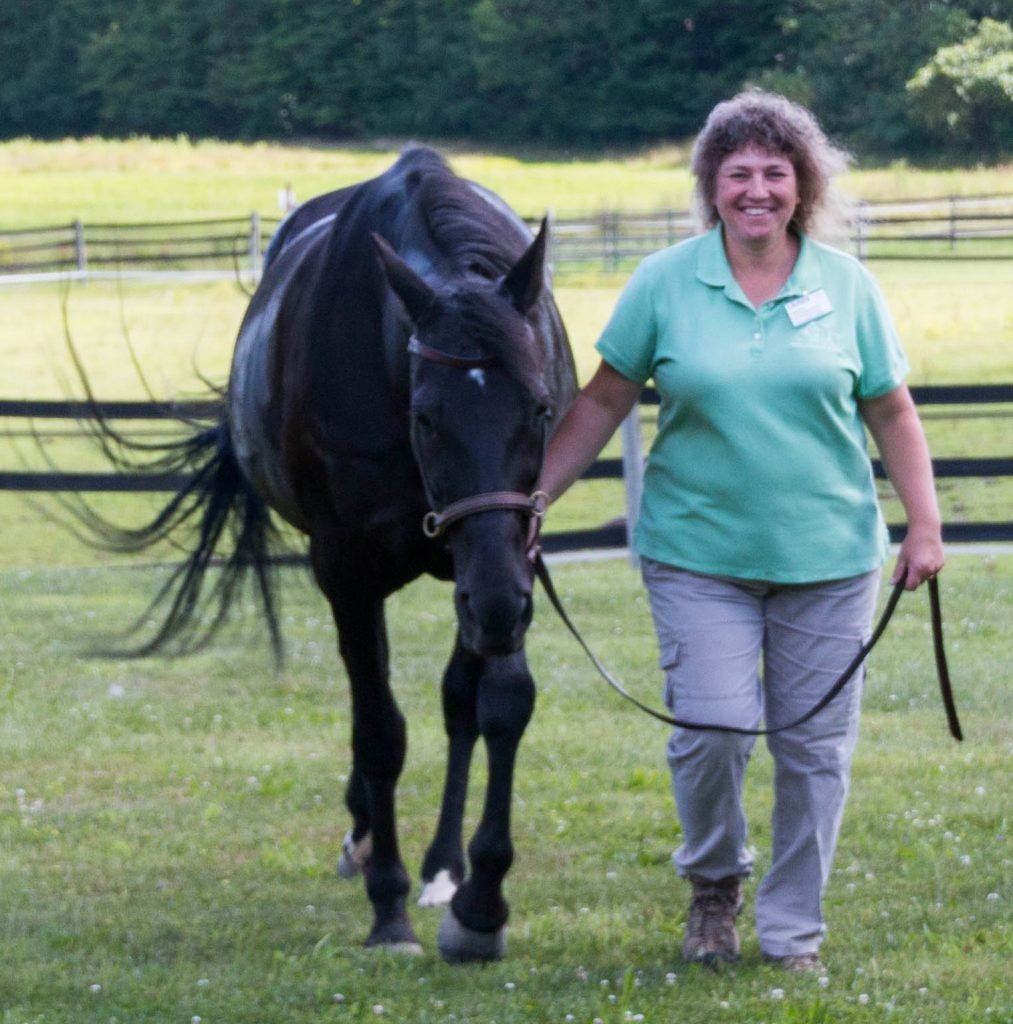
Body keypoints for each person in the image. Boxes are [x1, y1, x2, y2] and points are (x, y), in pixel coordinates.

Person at [538, 90, 944, 973]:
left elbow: (890, 409)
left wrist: (923, 523)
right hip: (695, 554)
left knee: (813, 752)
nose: (755, 189)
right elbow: (603, 399)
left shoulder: (846, 287)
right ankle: (714, 885)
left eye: (773, 173)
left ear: (802, 186)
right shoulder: (664, 283)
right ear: (710, 186)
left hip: (829, 556)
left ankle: (792, 931)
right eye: (737, 174)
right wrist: (530, 503)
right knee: (713, 730)